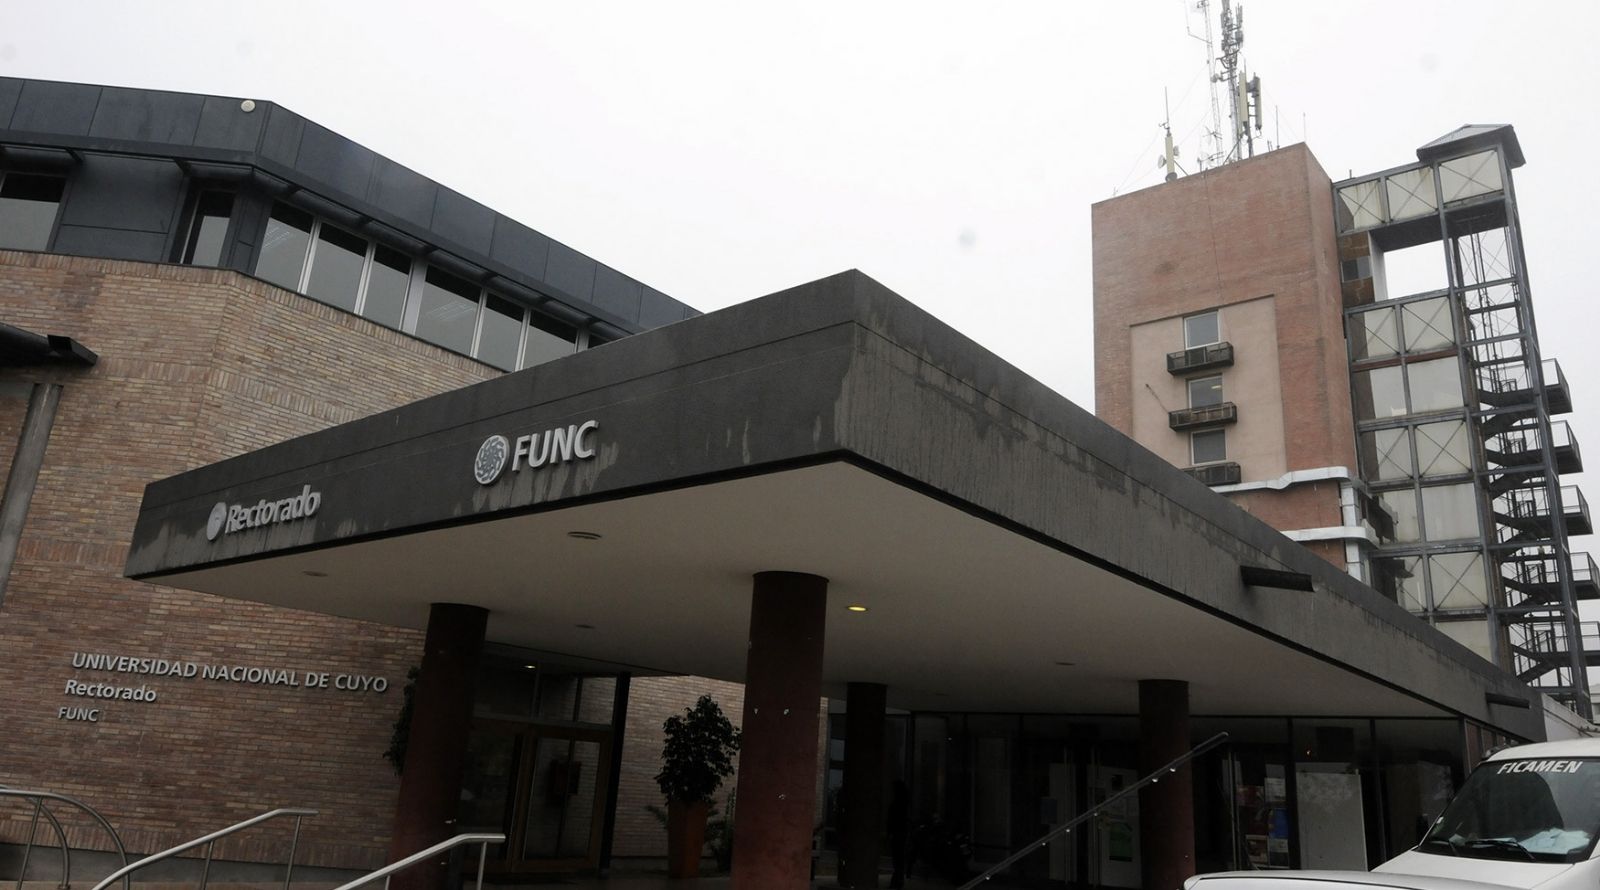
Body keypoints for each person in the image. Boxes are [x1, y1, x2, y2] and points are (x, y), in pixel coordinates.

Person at [887, 780, 910, 889]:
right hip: (901, 834)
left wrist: (890, 833)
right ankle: (898, 881)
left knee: (897, 860)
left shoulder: (897, 805)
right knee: (899, 860)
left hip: (897, 834)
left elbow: (892, 821)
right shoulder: (904, 804)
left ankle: (897, 882)